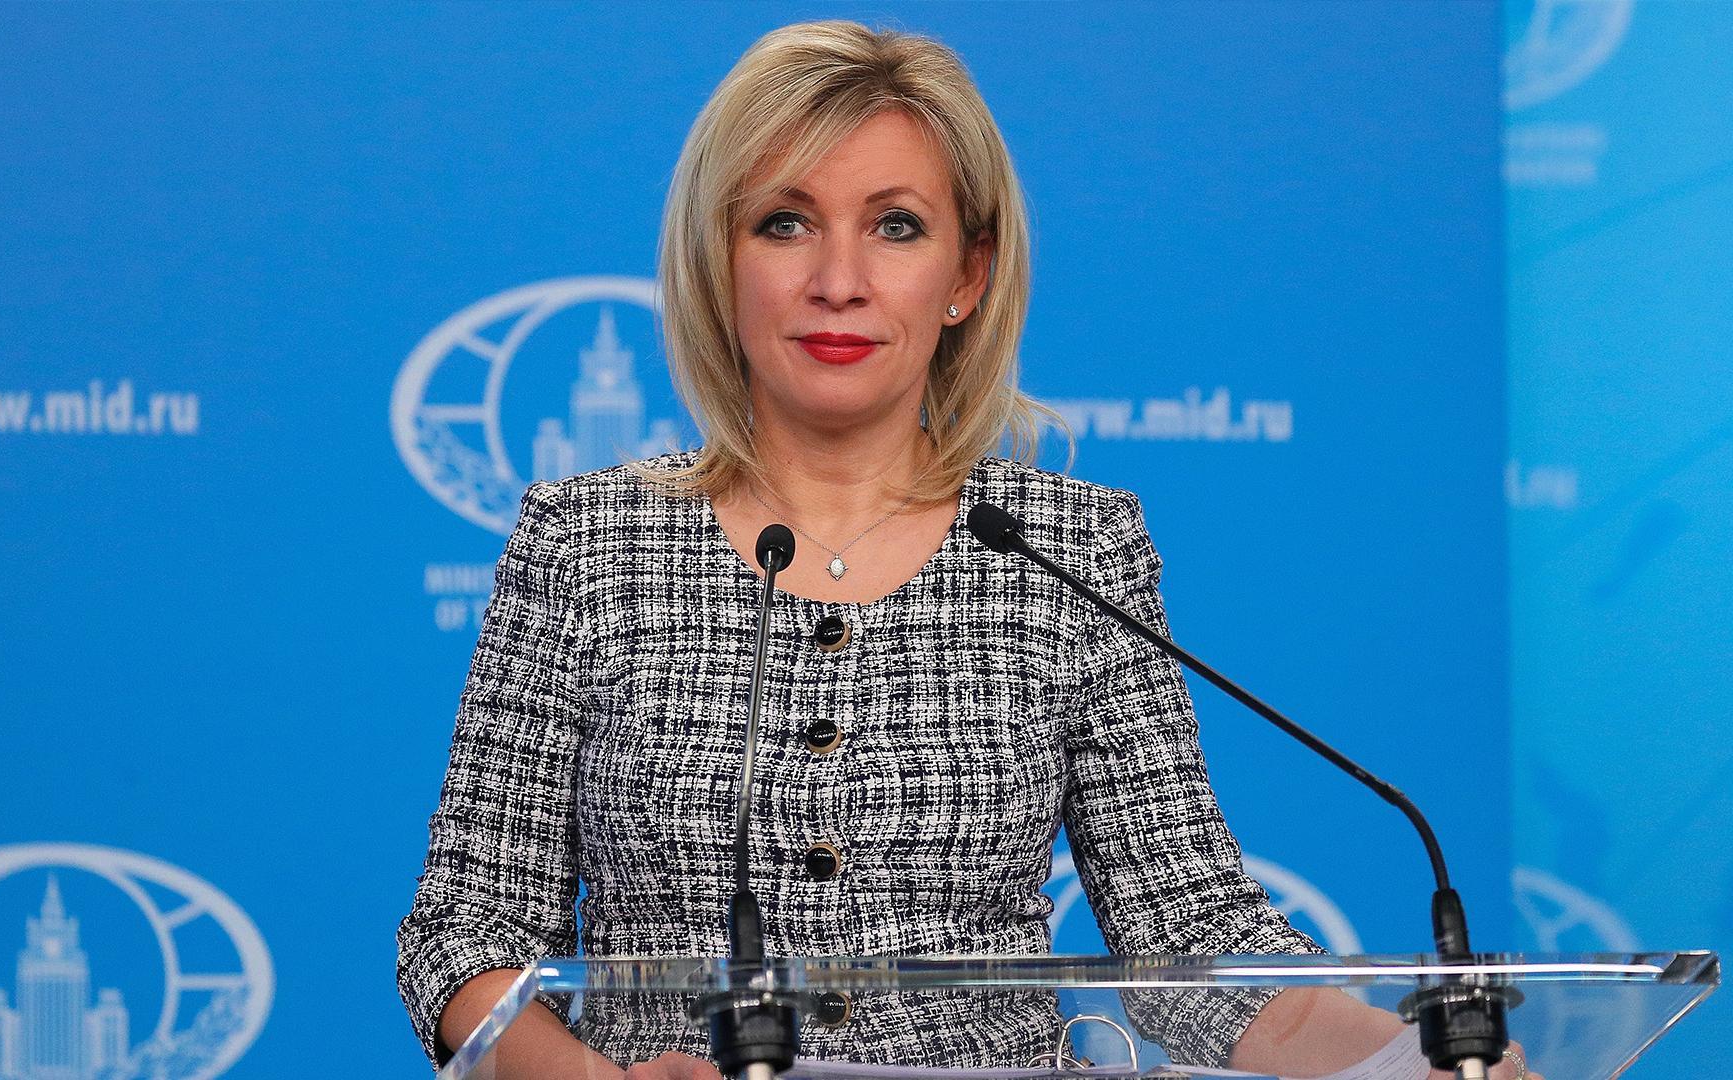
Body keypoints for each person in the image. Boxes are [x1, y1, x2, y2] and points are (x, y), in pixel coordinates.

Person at [397, 20, 1530, 1080]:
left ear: (968, 276)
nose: (839, 280)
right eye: (785, 222)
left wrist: (1419, 1059)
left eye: (896, 226)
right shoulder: (587, 544)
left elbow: (1193, 937)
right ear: (718, 259)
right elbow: (465, 934)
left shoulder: (1069, 548)